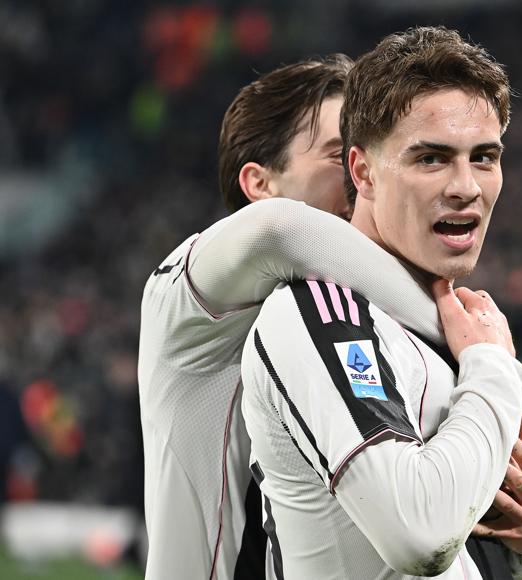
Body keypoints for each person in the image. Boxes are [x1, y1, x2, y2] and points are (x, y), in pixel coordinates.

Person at [240, 26, 522, 579]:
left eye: (484, 157)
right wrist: (493, 368)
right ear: (363, 172)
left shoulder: (450, 328)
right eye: (432, 159)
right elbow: (418, 538)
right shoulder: (317, 313)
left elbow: (466, 551)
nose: (466, 186)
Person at [138, 55, 445, 580]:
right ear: (260, 183)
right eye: (338, 155)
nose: (362, 173)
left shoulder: (366, 313)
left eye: (371, 153)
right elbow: (279, 230)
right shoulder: (184, 301)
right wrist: (452, 329)